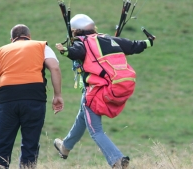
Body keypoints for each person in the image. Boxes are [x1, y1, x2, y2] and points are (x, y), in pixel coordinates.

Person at [53, 14, 152, 169]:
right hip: (116, 87)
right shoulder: (109, 39)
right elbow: (134, 46)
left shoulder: (82, 42)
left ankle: (117, 160)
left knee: (95, 131)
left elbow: (76, 53)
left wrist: (65, 51)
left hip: (96, 92)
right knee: (82, 116)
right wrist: (149, 42)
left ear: (75, 31)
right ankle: (65, 147)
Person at [0, 24, 64, 169]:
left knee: (2, 143)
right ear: (29, 37)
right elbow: (55, 67)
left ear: (12, 39)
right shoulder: (41, 46)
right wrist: (57, 95)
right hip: (34, 97)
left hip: (7, 99)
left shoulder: (0, 51)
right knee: (30, 143)